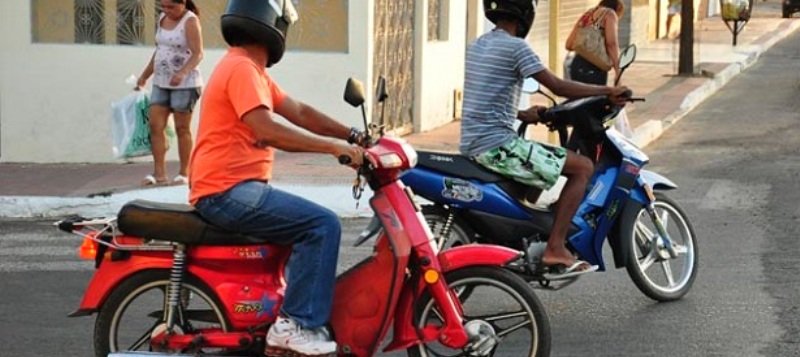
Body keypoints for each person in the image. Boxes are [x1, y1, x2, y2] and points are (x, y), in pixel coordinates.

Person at [188, 0, 364, 355]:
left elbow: (299, 112)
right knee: (322, 225)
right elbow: (267, 130)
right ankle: (293, 323)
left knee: (302, 228)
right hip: (226, 191)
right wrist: (332, 150)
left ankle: (277, 314)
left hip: (234, 188)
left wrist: (353, 135)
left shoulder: (250, 70)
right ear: (272, 25)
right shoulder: (241, 69)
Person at [461, 0, 629, 279]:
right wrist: (607, 91)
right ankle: (555, 247)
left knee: (540, 165)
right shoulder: (516, 48)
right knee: (583, 167)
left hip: (474, 141)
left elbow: (485, 94)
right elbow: (558, 86)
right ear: (525, 13)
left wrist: (521, 113)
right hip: (497, 146)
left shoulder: (477, 45)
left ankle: (526, 237)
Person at [136, 0, 204, 186]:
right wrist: (144, 76)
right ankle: (159, 173)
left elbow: (198, 53)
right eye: (163, 7)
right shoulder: (162, 18)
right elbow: (159, 51)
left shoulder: (190, 21)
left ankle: (184, 172)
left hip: (185, 84)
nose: (167, 11)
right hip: (161, 81)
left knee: (182, 128)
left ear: (183, 3)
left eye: (171, 7)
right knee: (155, 125)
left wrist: (182, 73)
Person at [565, 0, 625, 85]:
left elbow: (569, 44)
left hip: (576, 65)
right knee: (596, 97)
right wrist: (617, 72)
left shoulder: (588, 14)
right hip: (594, 68)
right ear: (618, 9)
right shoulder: (610, 14)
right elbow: (611, 44)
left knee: (579, 97)